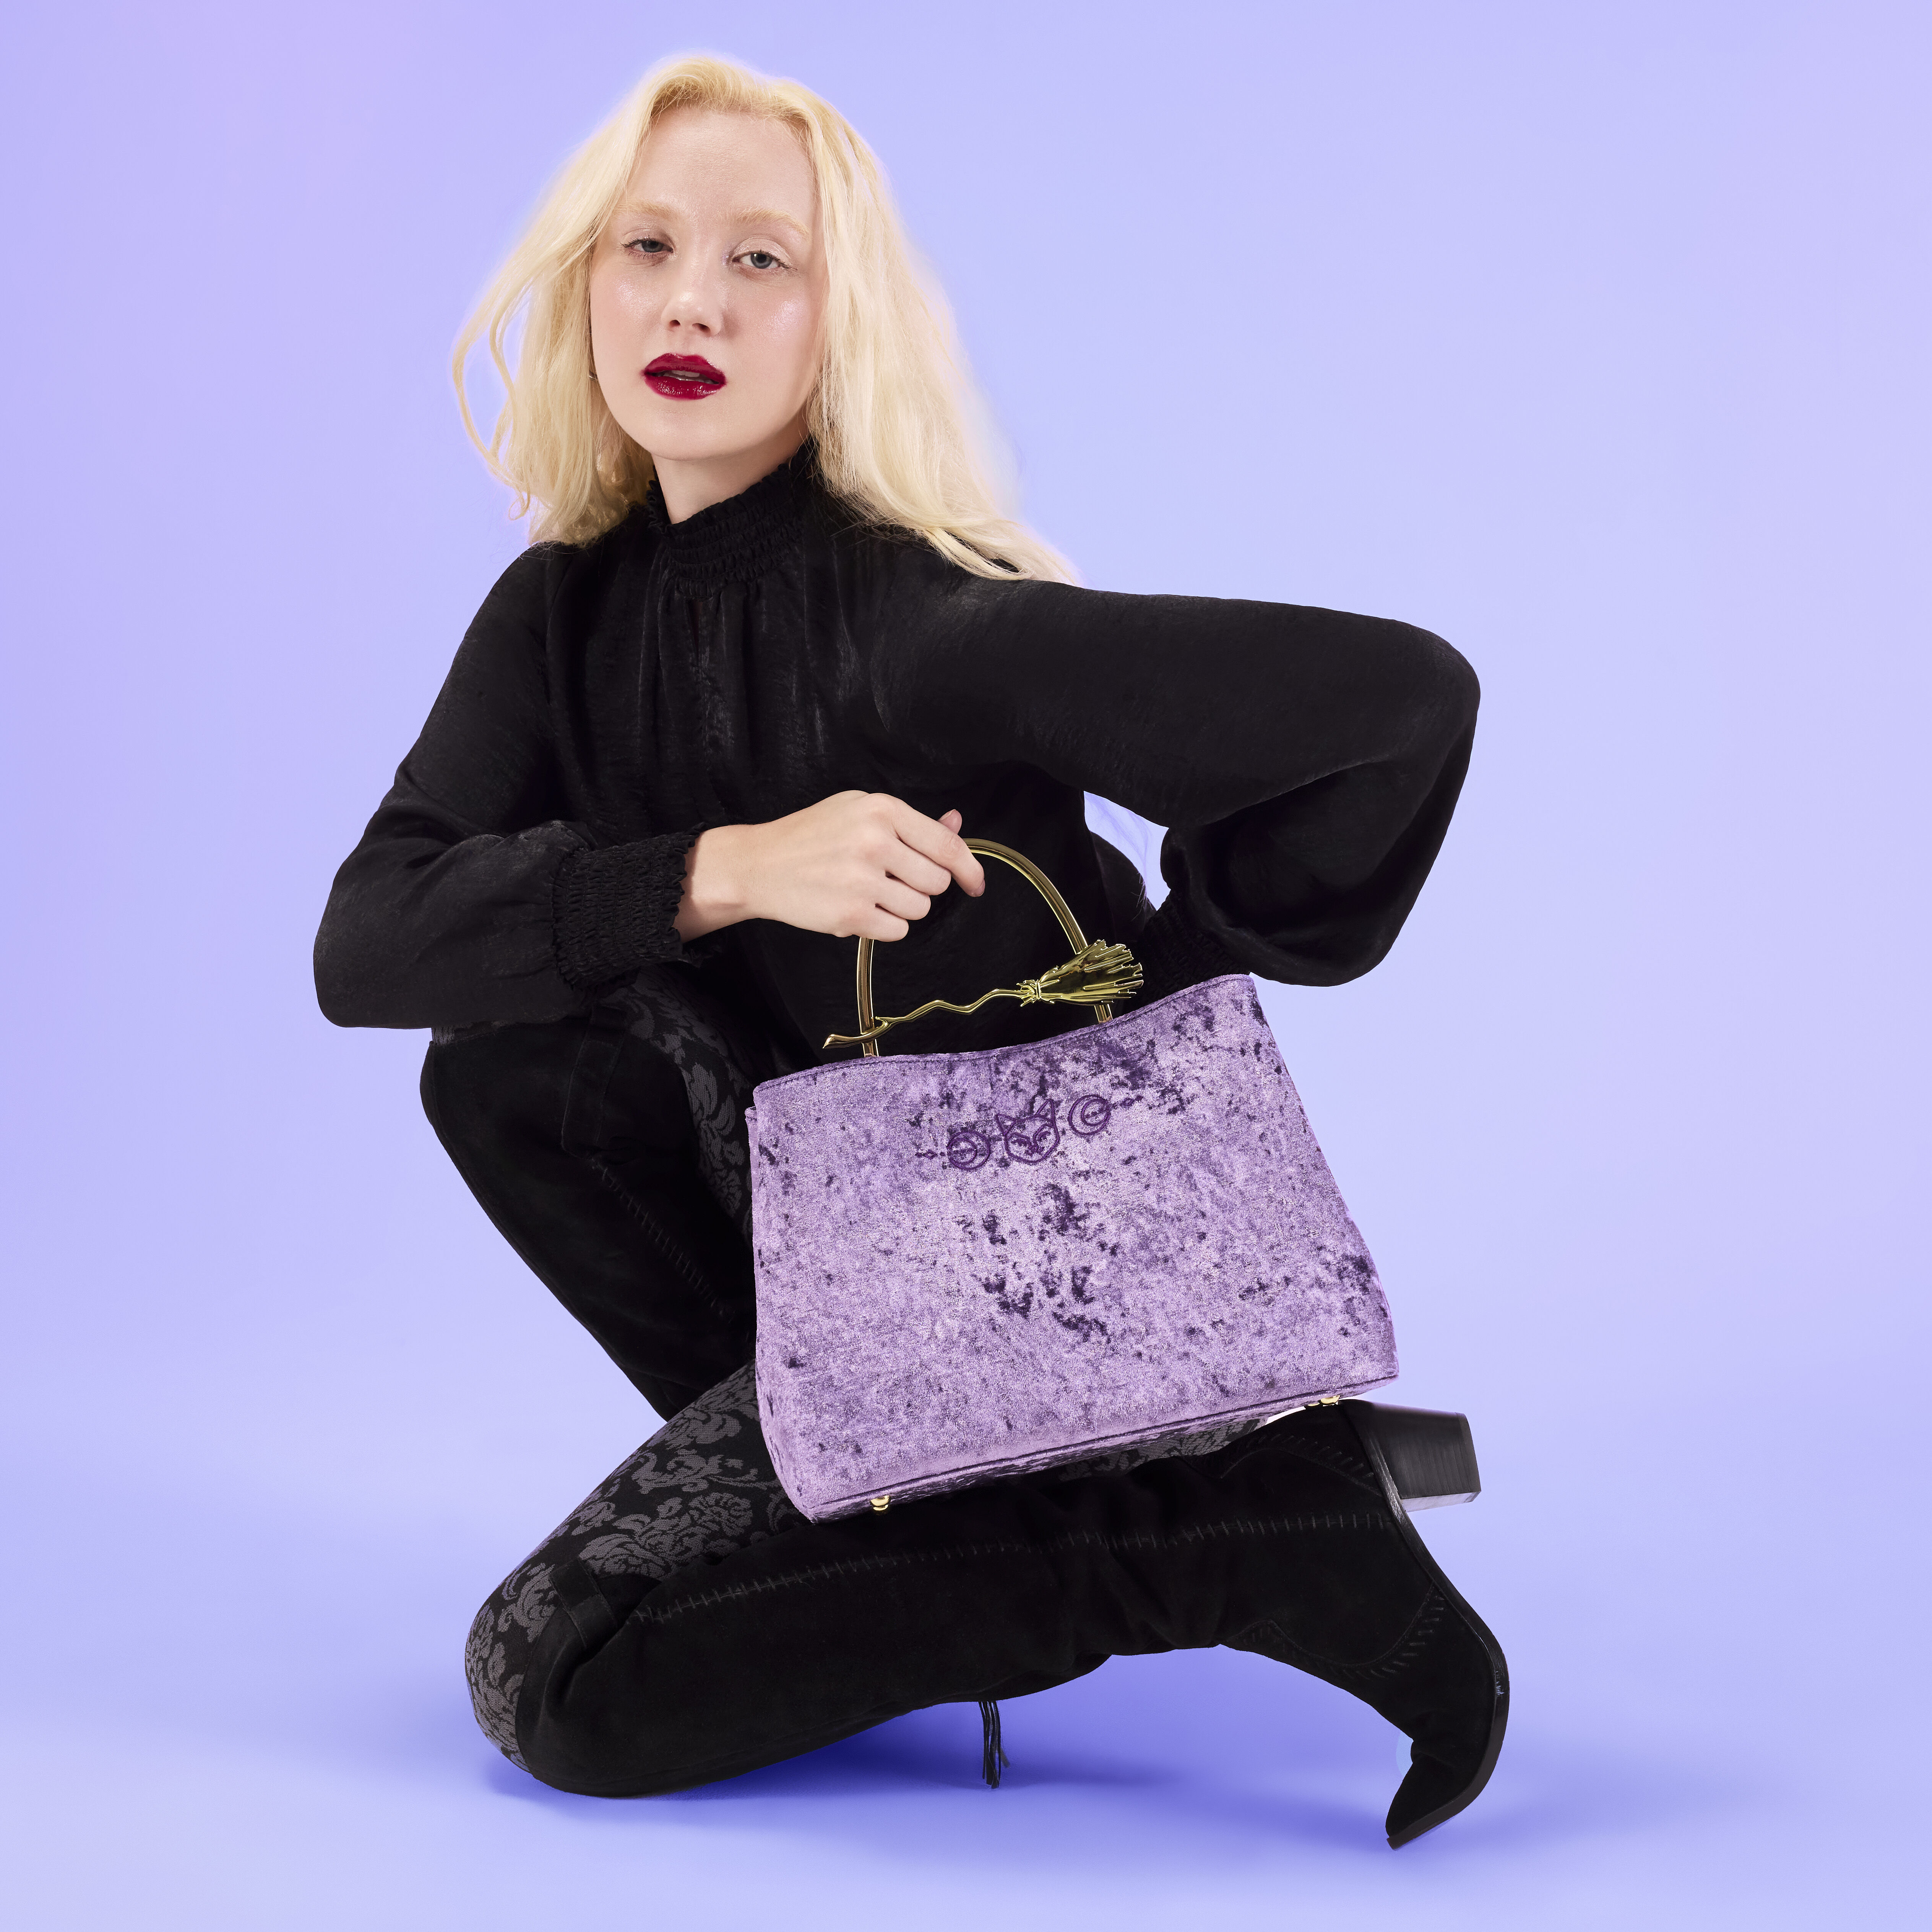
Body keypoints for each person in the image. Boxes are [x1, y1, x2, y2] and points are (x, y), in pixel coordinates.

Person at [313, 54, 1505, 1847]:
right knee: (511, 1062)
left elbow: (1400, 707)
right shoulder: (561, 616)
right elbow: (369, 939)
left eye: (760, 259)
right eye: (647, 247)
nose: (692, 302)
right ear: (587, 287)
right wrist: (725, 871)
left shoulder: (915, 618)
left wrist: (1177, 980)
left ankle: (1239, 1538)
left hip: (1050, 1281)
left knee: (551, 1680)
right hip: (847, 1288)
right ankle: (1004, 1512)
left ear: (837, 319)